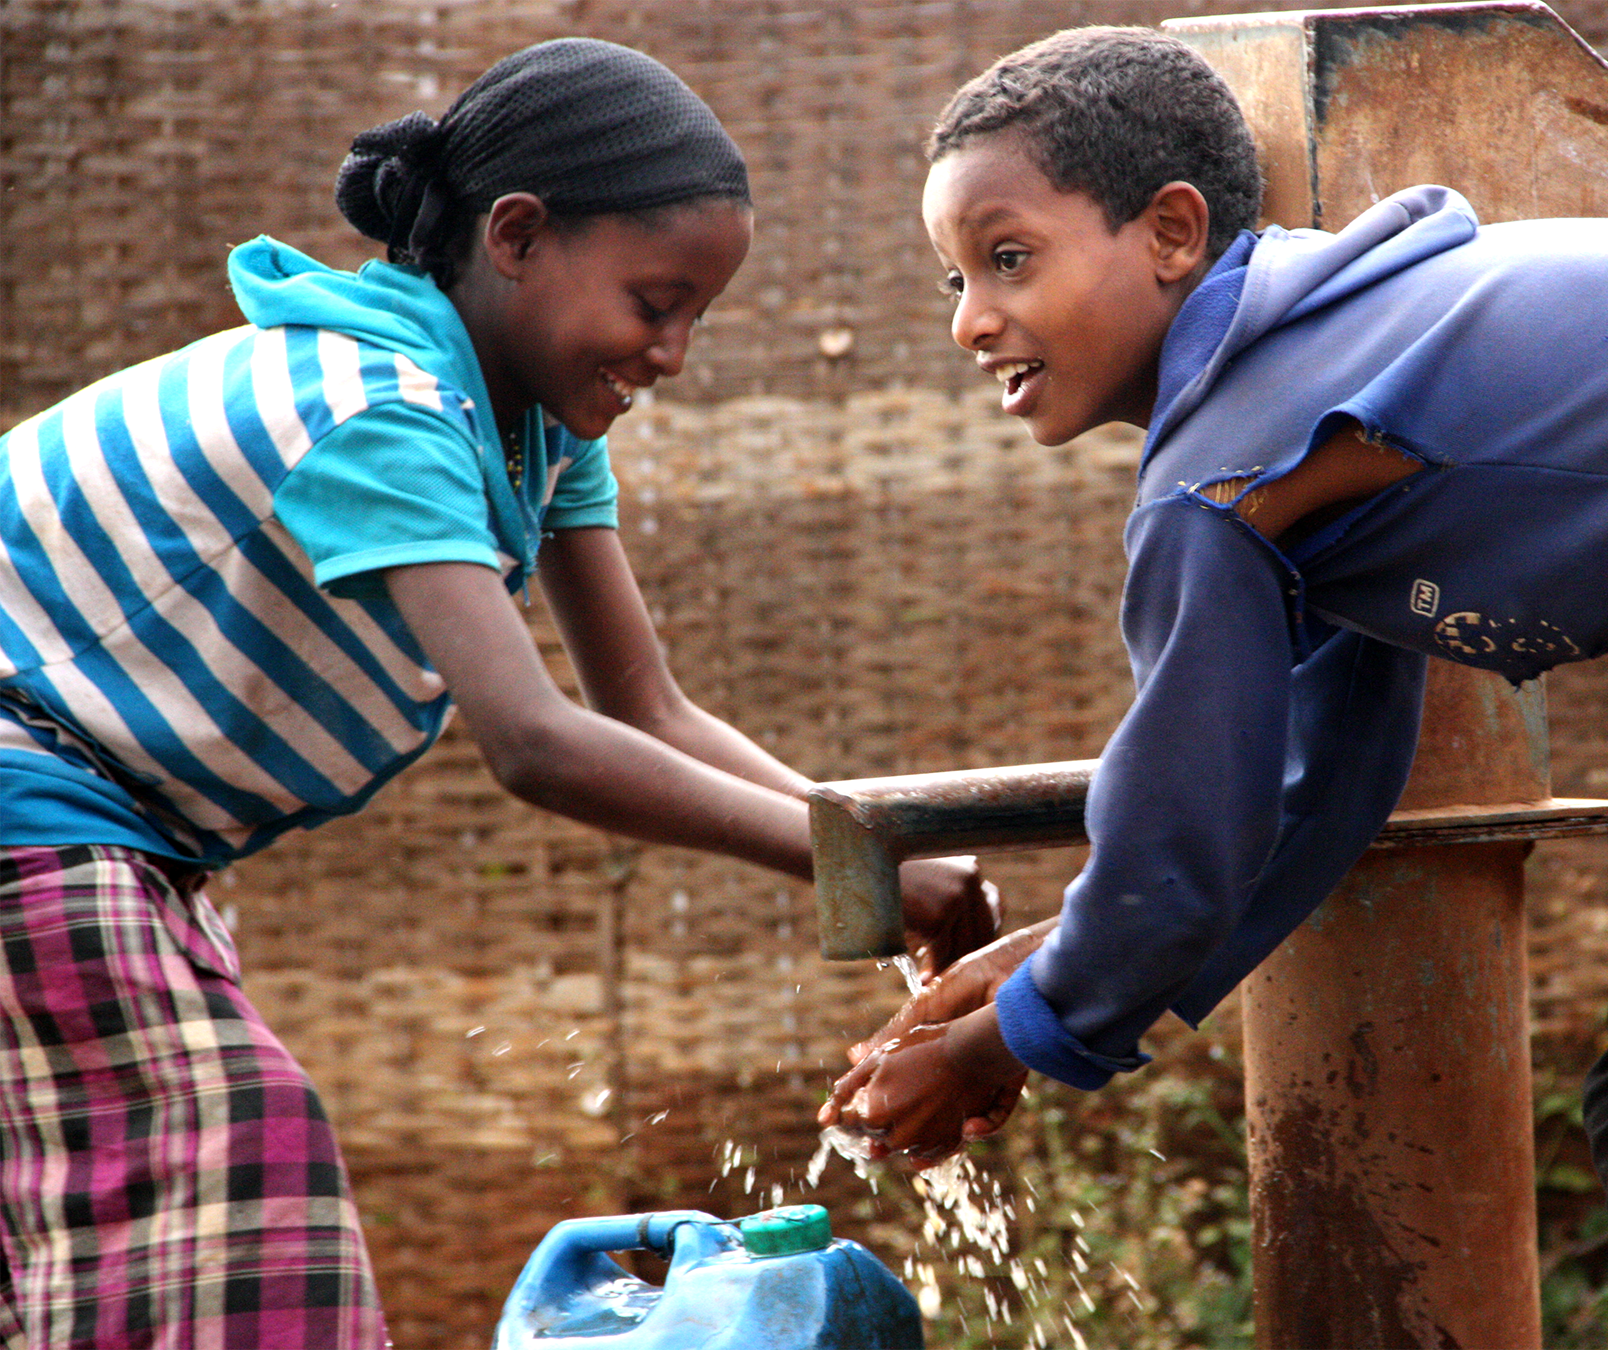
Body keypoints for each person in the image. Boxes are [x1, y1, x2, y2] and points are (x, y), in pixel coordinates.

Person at [0, 38, 996, 1350]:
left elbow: (648, 707)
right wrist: (877, 876)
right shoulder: (376, 408)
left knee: (128, 1236)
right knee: (238, 1180)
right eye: (655, 300)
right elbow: (536, 742)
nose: (677, 351)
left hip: (103, 837)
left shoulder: (530, 429)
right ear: (517, 237)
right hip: (37, 809)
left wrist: (878, 852)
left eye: (698, 312)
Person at [821, 23, 1608, 1348]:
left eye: (1009, 258)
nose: (968, 317)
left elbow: (1184, 836)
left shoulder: (1216, 476)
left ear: (1172, 233)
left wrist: (1010, 1043)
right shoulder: (1330, 365)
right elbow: (1320, 781)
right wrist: (1041, 967)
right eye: (953, 275)